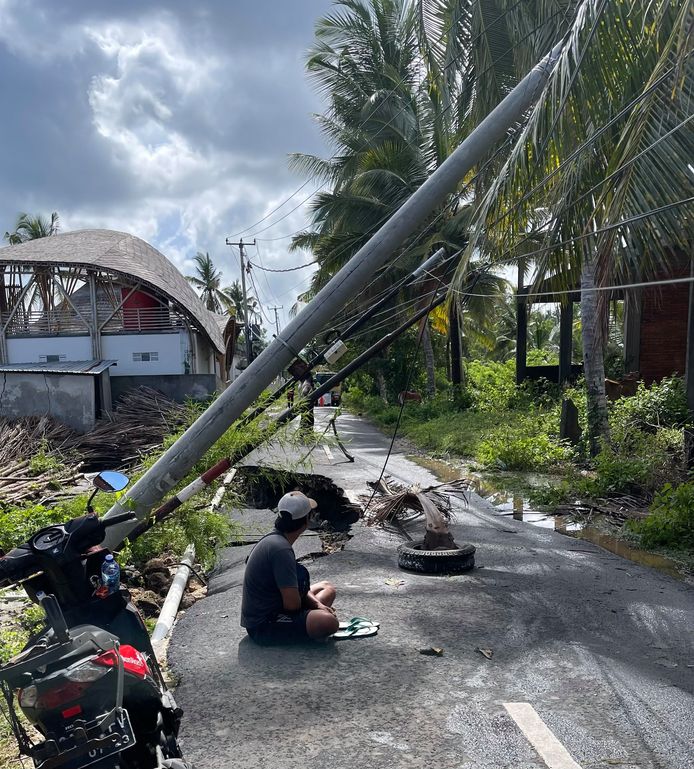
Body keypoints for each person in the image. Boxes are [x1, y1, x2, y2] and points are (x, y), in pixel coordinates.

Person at [241, 490, 339, 645]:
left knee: (327, 588)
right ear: (306, 520)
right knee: (329, 622)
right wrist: (315, 610)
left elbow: (295, 590)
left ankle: (311, 618)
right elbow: (292, 605)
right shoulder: (281, 550)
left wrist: (318, 605)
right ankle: (310, 623)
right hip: (264, 625)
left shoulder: (276, 539)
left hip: (277, 604)